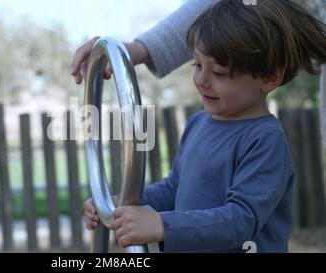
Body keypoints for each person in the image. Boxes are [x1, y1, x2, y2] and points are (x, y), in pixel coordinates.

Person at [76, 0, 326, 252]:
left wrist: (162, 225)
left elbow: (241, 220)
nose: (201, 80)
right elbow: (175, 189)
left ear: (270, 77)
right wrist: (121, 205)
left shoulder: (264, 140)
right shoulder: (199, 123)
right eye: (197, 65)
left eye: (218, 72)